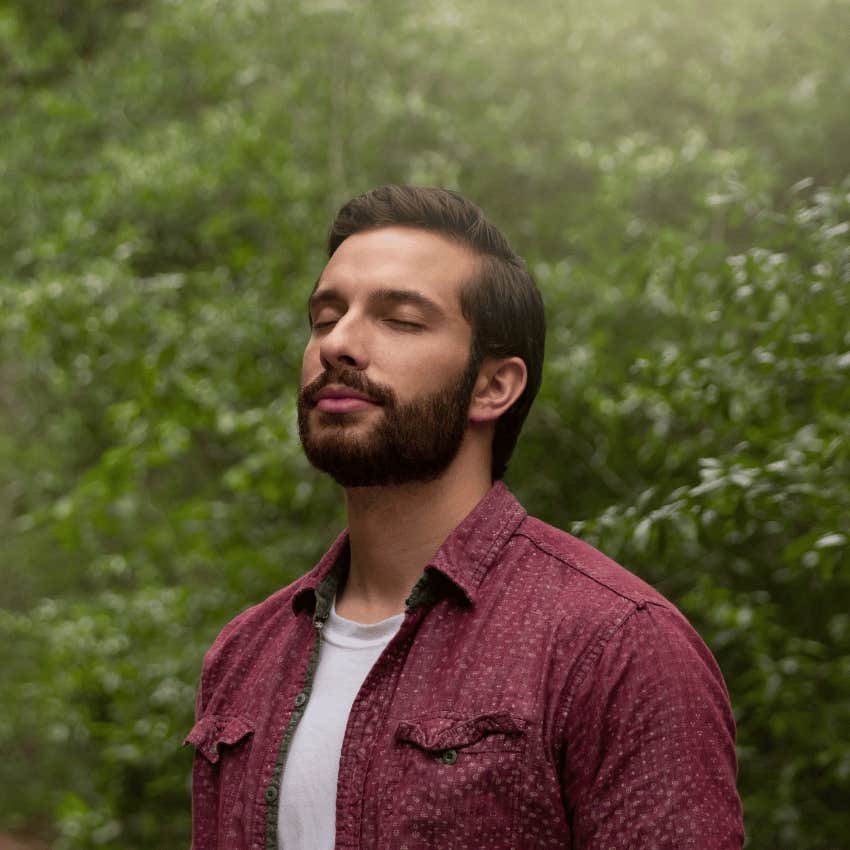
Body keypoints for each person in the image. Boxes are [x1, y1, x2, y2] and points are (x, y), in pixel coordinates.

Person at [186, 185, 744, 849]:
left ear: (493, 387)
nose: (339, 343)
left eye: (400, 320)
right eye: (325, 316)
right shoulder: (245, 654)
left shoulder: (615, 646)